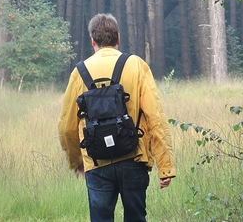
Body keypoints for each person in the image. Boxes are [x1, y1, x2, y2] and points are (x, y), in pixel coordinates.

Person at [58, 13, 175, 222]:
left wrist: (77, 162)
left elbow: (67, 127)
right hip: (134, 158)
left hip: (96, 162)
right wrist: (165, 165)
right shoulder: (136, 65)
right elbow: (155, 116)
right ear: (118, 39)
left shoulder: (79, 72)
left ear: (92, 41)